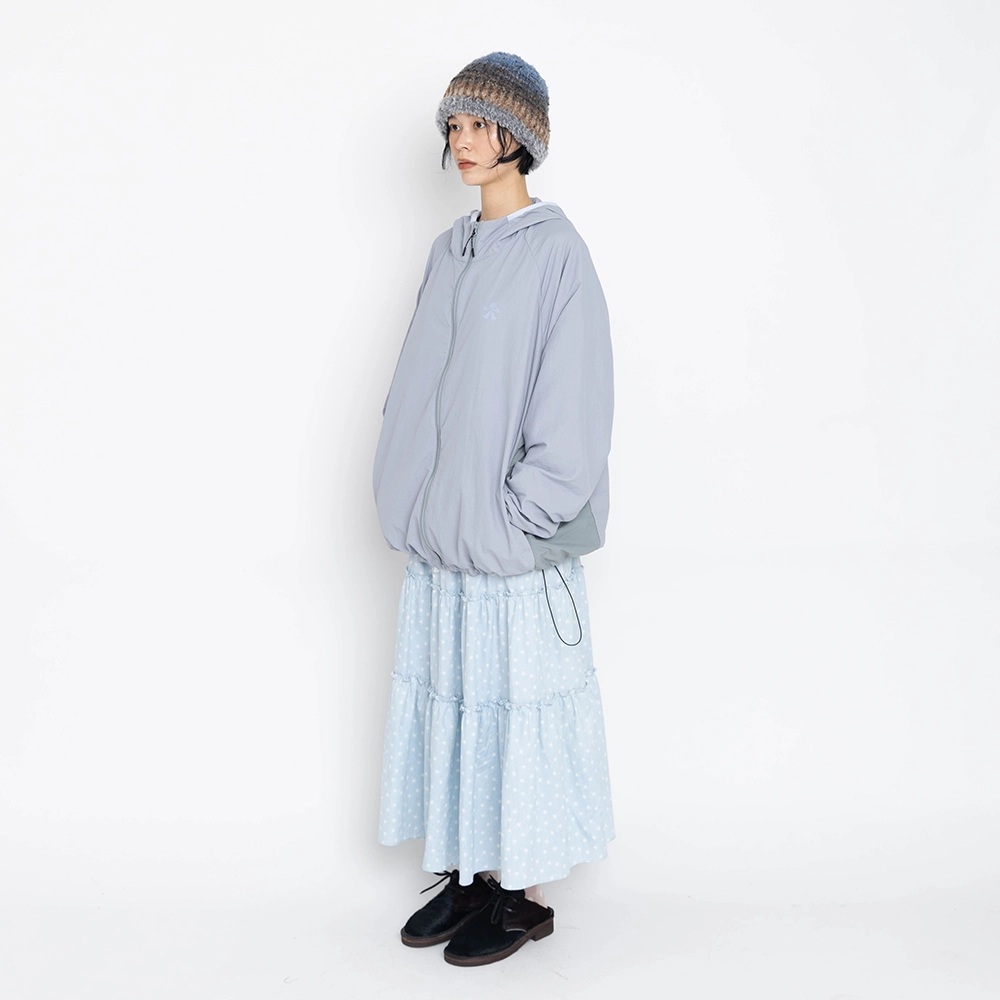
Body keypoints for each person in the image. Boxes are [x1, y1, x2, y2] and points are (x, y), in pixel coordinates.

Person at [371, 51, 615, 967]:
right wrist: (403, 487)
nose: (463, 141)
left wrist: (524, 514)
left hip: (510, 543)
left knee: (517, 713)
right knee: (464, 707)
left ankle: (524, 898)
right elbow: (417, 384)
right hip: (442, 535)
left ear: (521, 136)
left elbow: (575, 401)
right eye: (455, 125)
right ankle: (474, 873)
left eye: (479, 123)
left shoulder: (557, 253)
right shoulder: (449, 251)